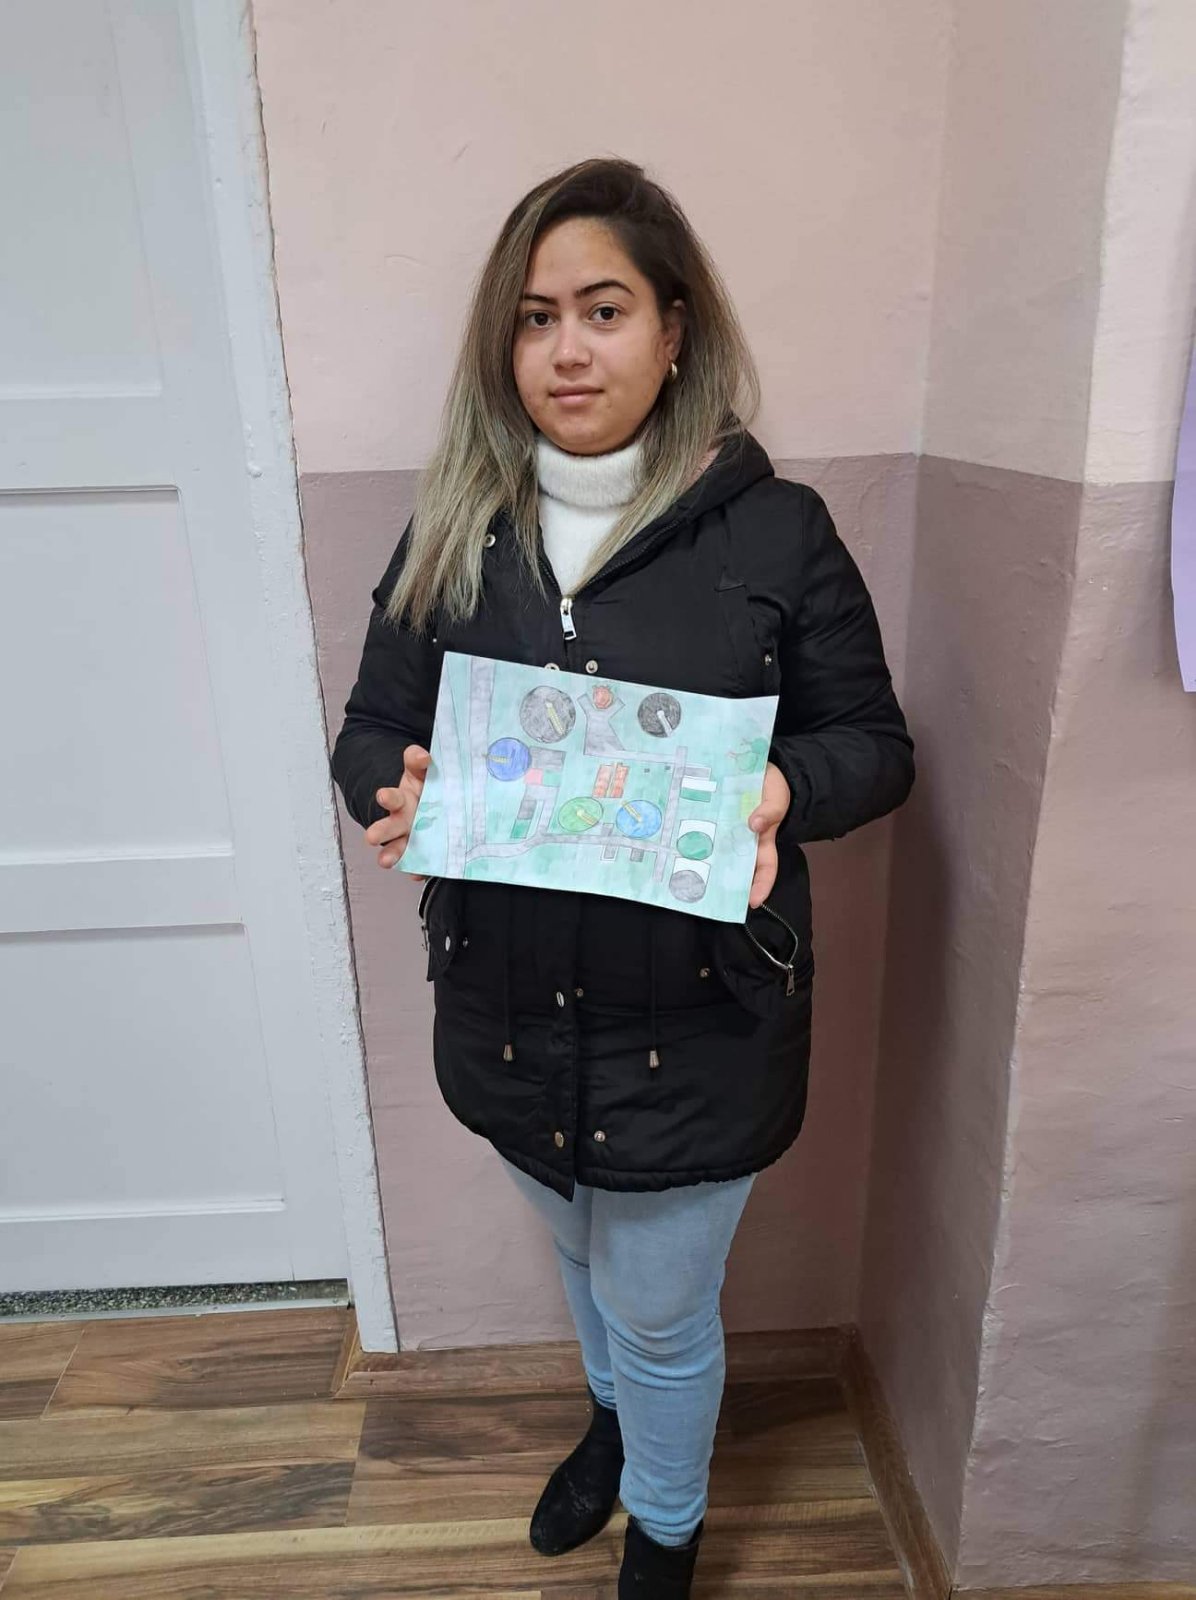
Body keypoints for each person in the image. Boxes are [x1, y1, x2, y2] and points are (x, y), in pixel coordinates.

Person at [331, 157, 914, 1599]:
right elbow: (373, 729)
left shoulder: (775, 531)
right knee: (587, 1255)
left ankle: (663, 1527)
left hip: (699, 1016)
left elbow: (874, 746)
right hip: (508, 1008)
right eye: (535, 319)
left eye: (603, 310)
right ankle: (610, 1422)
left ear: (673, 326)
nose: (568, 351)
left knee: (659, 1308)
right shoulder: (457, 523)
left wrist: (780, 787)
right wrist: (394, 789)